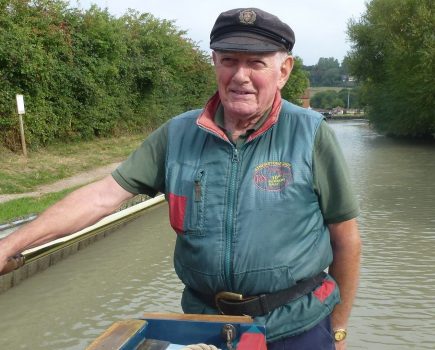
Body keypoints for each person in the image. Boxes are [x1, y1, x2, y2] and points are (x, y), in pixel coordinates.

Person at [0, 8, 361, 350]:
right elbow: (102, 196)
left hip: (298, 329)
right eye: (229, 60)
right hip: (202, 327)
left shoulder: (311, 134)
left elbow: (346, 241)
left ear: (283, 71)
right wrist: (10, 245)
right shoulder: (177, 134)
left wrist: (338, 329)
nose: (240, 76)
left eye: (256, 63)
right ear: (215, 63)